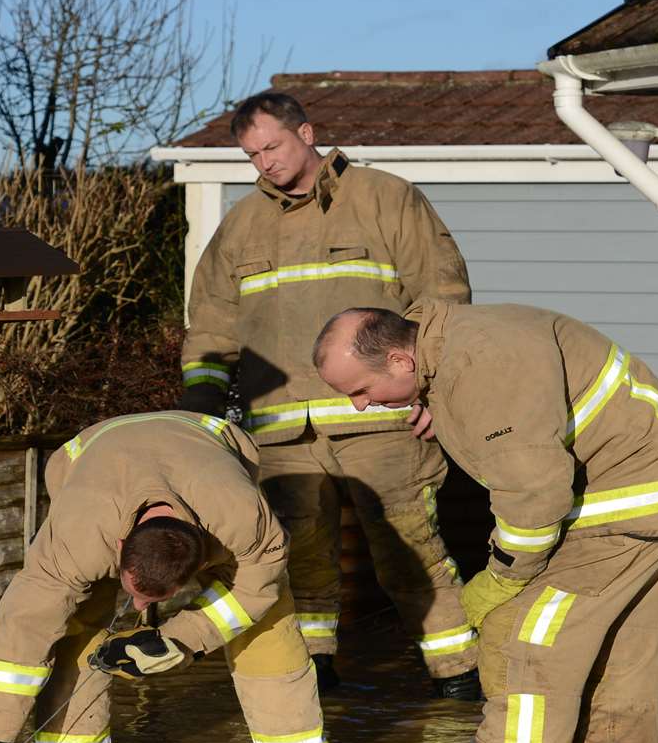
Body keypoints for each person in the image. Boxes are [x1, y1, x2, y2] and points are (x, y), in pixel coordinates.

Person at [312, 303, 658, 743]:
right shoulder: (452, 345)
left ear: (399, 358)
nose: (358, 406)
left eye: (361, 390)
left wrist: (504, 576)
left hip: (617, 509)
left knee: (522, 641)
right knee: (614, 663)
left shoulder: (485, 364)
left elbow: (534, 495)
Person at [180, 90, 478, 699]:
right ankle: (316, 666)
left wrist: (435, 393)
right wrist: (203, 413)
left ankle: (459, 673)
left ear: (307, 133)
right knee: (295, 555)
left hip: (385, 420)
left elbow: (442, 298)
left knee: (409, 549)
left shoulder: (383, 198)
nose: (264, 162)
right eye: (251, 154)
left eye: (272, 146)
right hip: (283, 433)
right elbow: (211, 325)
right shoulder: (240, 226)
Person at [0, 410, 330, 743]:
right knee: (74, 625)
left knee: (267, 621)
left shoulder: (244, 519)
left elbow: (257, 588)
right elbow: (24, 630)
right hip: (90, 463)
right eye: (133, 592)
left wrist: (181, 638)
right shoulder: (77, 537)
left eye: (150, 599)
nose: (138, 608)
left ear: (200, 563)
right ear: (118, 549)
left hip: (213, 454)